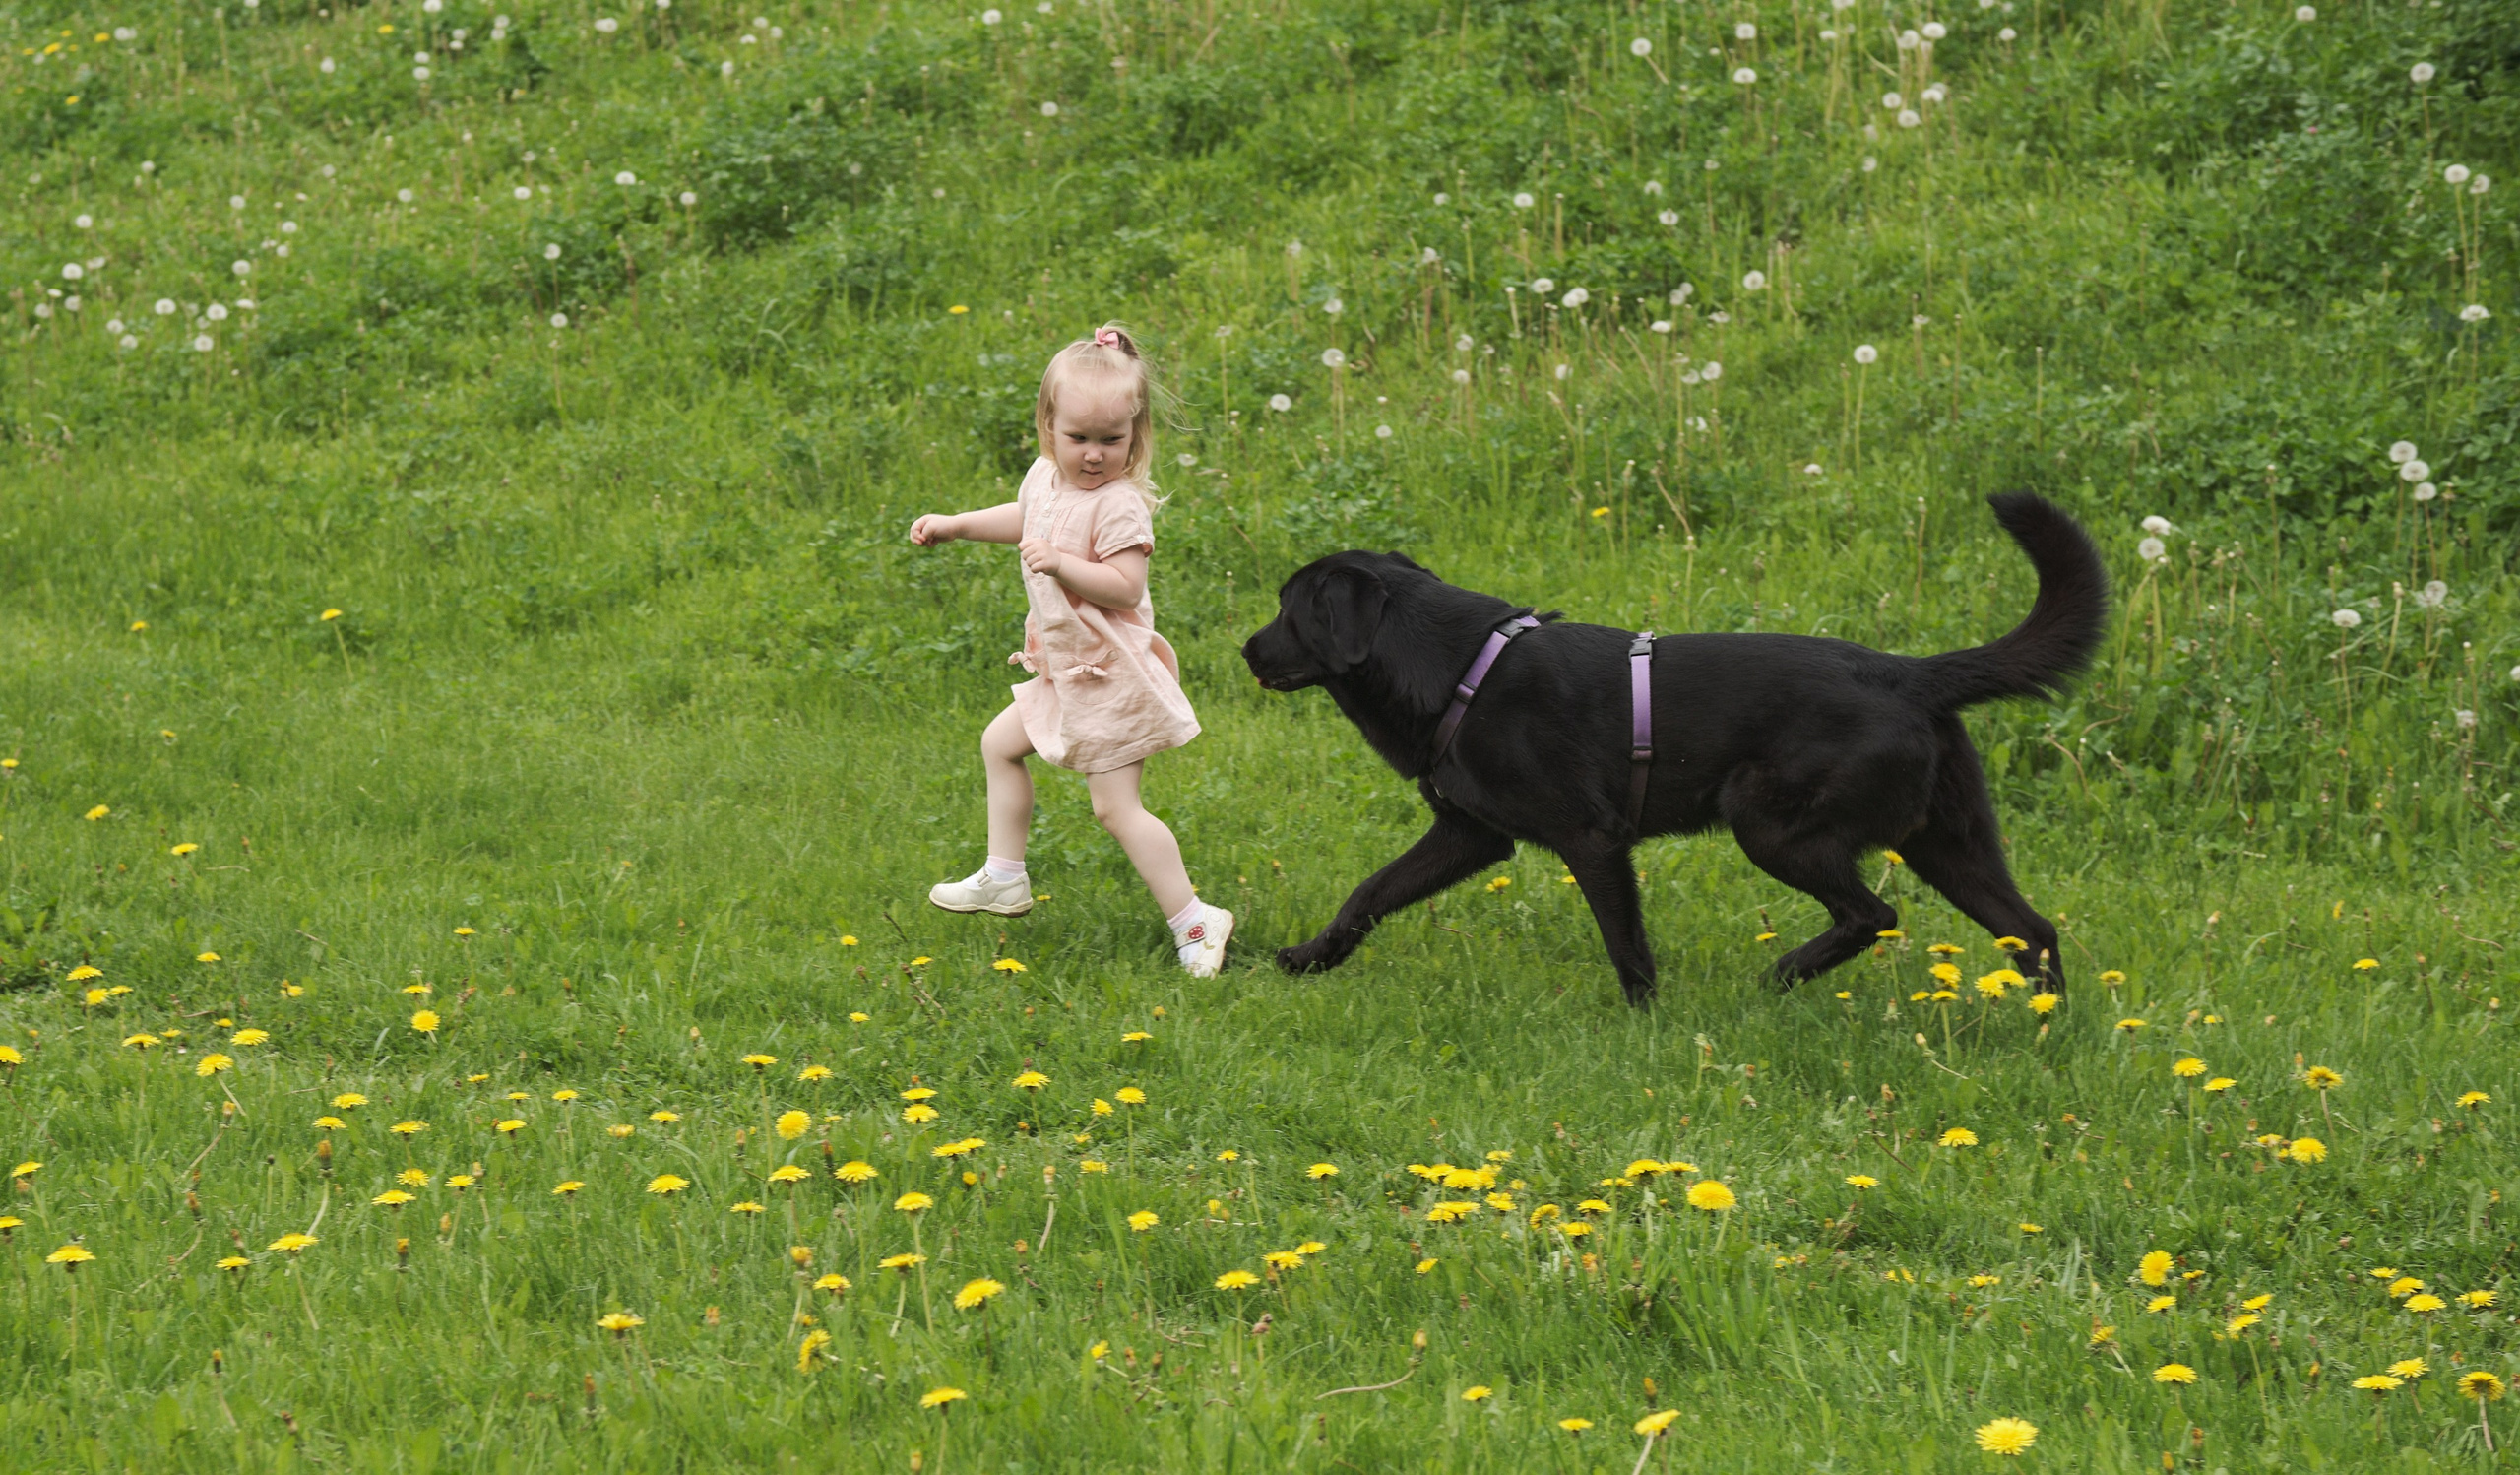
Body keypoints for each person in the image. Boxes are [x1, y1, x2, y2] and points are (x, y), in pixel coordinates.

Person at [907, 324, 1228, 976]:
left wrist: (1060, 566)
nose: (1092, 455)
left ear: (1134, 437)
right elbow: (1025, 515)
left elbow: (1123, 586)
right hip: (1063, 672)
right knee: (999, 746)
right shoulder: (1047, 478)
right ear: (1047, 426)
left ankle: (1196, 919)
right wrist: (958, 526)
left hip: (1110, 679)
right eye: (1078, 438)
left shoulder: (1119, 507)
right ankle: (1004, 875)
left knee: (1115, 808)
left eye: (1112, 441)